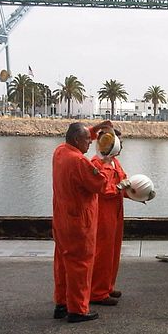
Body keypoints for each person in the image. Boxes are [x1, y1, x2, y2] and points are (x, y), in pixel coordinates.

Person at [52, 120, 114, 323]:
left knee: (63, 262)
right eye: (88, 140)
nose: (90, 143)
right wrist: (105, 163)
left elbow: (81, 133)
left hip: (62, 218)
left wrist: (97, 128)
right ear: (78, 140)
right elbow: (101, 184)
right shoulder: (80, 162)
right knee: (80, 264)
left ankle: (62, 303)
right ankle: (77, 309)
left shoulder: (60, 151)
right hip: (79, 221)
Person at [89, 129, 129, 306]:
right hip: (104, 210)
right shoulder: (96, 164)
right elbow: (104, 189)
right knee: (103, 250)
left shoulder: (114, 162)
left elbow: (124, 181)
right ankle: (97, 291)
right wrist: (120, 187)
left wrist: (138, 193)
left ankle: (107, 285)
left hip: (116, 208)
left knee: (113, 249)